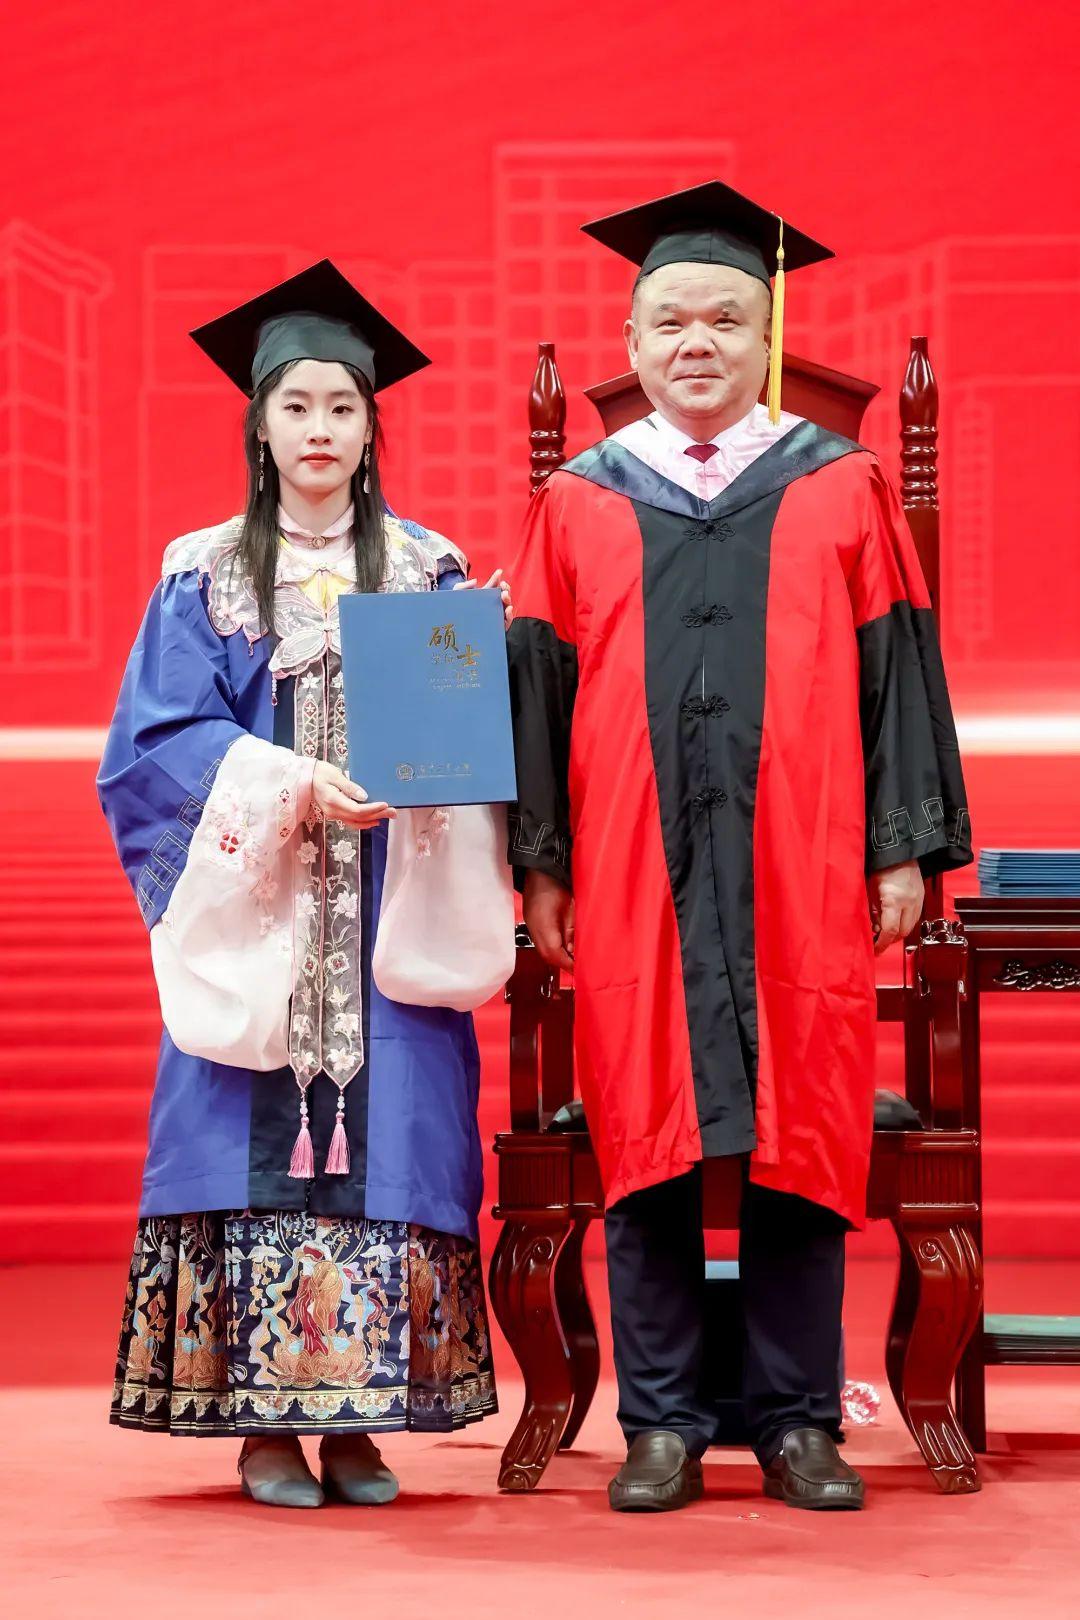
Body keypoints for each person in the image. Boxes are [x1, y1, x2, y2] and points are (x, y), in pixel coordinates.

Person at [506, 182, 972, 1513]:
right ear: (633, 344)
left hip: (804, 862)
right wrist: (545, 866)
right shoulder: (579, 501)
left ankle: (796, 1419)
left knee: (802, 1126)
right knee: (645, 1120)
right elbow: (537, 690)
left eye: (724, 318)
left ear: (766, 339)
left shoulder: (840, 484)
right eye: (670, 321)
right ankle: (659, 1424)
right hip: (631, 866)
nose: (696, 340)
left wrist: (900, 850)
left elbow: (897, 676)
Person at [99, 260, 514, 1508]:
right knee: (247, 1127)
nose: (321, 428)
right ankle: (263, 1428)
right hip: (260, 908)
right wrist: (287, 784)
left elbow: (469, 747)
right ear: (261, 425)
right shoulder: (207, 573)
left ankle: (360, 1426)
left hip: (390, 902)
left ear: (371, 427)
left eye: (343, 406)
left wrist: (487, 669)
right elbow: (155, 749)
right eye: (298, 406)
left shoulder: (429, 570)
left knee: (399, 1129)